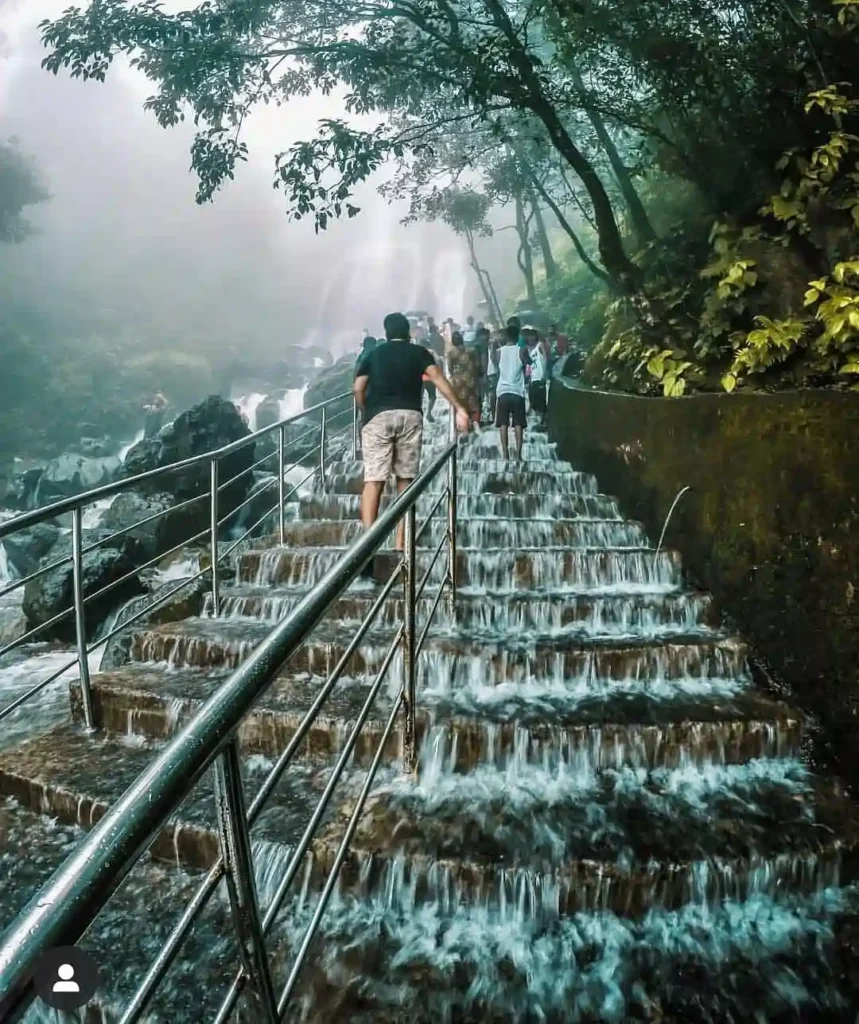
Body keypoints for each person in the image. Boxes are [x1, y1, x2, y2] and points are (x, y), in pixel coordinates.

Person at [354, 312, 470, 580]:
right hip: (410, 415)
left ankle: (368, 546)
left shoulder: (373, 354)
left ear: (385, 332)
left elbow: (358, 386)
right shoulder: (419, 353)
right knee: (405, 482)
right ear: (408, 332)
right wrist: (460, 409)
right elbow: (439, 379)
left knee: (374, 480)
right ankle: (399, 547)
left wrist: (365, 410)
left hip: (377, 417)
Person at [494, 323, 531, 461]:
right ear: (517, 336)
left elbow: (496, 363)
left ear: (506, 336)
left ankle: (505, 454)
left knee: (502, 423)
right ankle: (518, 454)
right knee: (518, 423)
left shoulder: (499, 352)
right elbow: (529, 362)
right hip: (517, 391)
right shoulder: (521, 350)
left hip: (502, 391)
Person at [448, 331, 482, 425]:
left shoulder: (451, 353)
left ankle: (464, 423)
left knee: (461, 402)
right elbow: (477, 365)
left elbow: (450, 368)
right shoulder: (471, 350)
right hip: (471, 379)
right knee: (473, 401)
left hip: (458, 381)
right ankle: (475, 422)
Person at [420, 321, 446, 416]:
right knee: (432, 396)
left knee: (419, 397)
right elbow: (439, 360)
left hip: (418, 377)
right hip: (429, 377)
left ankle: (420, 412)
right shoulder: (432, 351)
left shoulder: (415, 352)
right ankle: (428, 413)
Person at [527, 331, 549, 430]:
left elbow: (545, 358)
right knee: (534, 399)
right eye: (529, 336)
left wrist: (544, 373)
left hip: (540, 375)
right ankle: (540, 420)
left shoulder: (540, 345)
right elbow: (529, 366)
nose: (530, 337)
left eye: (532, 335)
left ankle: (543, 422)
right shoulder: (530, 350)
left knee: (541, 399)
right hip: (533, 377)